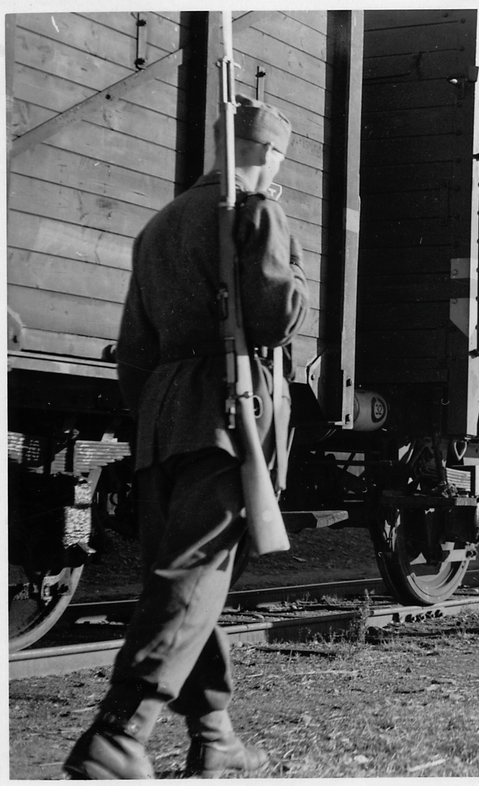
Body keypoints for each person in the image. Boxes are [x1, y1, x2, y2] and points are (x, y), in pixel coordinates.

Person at [64, 95, 308, 780]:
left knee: (189, 581)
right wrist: (287, 252)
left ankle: (214, 733)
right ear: (271, 155)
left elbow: (134, 352)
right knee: (196, 575)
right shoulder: (255, 213)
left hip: (162, 420)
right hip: (227, 414)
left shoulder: (159, 226)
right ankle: (120, 732)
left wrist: (160, 414)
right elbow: (277, 317)